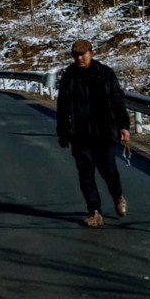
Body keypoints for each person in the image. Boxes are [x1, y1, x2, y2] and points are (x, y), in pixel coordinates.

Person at [57, 39, 131, 228]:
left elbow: (117, 100)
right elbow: (63, 106)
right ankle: (95, 212)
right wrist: (63, 132)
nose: (79, 58)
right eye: (75, 55)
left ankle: (118, 196)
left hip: (104, 132)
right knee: (86, 175)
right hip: (80, 134)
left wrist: (123, 126)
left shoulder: (105, 74)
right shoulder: (69, 76)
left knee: (109, 170)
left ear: (91, 53)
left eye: (82, 54)